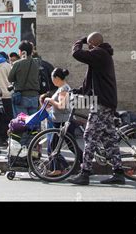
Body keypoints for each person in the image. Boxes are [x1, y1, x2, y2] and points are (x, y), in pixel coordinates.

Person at [69, 32, 124, 185]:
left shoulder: (99, 53)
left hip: (101, 102)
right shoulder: (101, 56)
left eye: (89, 44)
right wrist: (79, 90)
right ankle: (118, 173)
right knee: (109, 138)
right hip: (105, 101)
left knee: (89, 135)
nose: (89, 48)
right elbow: (91, 82)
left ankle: (85, 173)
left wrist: (80, 40)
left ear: (92, 43)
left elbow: (77, 53)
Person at [40, 68, 82, 175]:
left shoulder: (63, 89)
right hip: (61, 121)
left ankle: (84, 165)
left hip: (63, 122)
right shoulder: (62, 88)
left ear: (57, 78)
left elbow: (61, 106)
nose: (52, 80)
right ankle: (58, 169)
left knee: (67, 146)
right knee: (56, 146)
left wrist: (50, 100)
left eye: (52, 78)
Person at [8, 41, 41, 116]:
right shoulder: (37, 62)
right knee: (33, 122)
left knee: (22, 123)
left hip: (21, 97)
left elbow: (10, 78)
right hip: (34, 96)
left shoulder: (17, 63)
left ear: (22, 52)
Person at [0, 52, 13, 147]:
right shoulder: (7, 66)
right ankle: (3, 139)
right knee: (6, 119)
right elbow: (12, 79)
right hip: (6, 95)